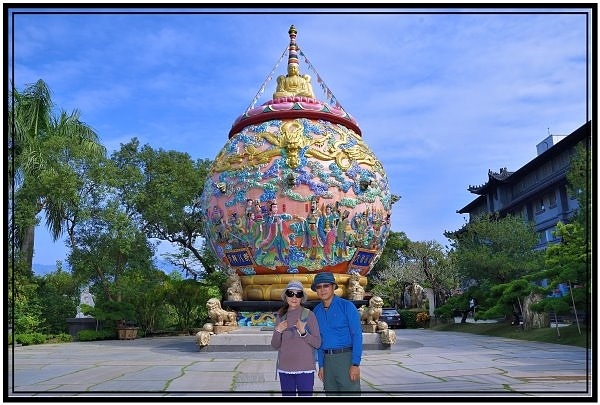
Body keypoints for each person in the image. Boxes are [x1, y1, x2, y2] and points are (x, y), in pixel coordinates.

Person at [311, 272, 362, 395]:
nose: (322, 290)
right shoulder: (316, 311)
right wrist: (321, 365)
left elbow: (357, 336)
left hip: (346, 359)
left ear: (334, 287)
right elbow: (319, 341)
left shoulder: (347, 306)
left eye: (326, 286)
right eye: (319, 287)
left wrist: (355, 363)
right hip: (327, 362)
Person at [271, 280, 321, 396]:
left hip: (305, 369)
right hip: (285, 368)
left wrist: (303, 333)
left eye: (298, 294)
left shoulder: (309, 315)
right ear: (286, 296)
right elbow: (275, 345)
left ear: (302, 297)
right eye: (290, 293)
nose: (294, 297)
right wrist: (278, 330)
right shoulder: (281, 315)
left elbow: (317, 343)